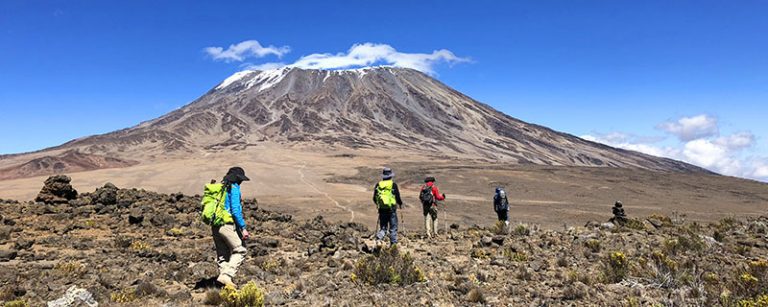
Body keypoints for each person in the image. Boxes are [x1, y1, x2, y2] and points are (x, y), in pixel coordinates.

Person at [213, 167, 251, 287]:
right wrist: (243, 228)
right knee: (240, 250)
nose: (241, 182)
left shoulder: (221, 187)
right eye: (240, 179)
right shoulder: (233, 187)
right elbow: (235, 210)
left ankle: (224, 285)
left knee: (223, 255)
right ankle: (226, 276)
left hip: (215, 225)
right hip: (227, 224)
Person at [372, 167, 403, 245]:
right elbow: (397, 197)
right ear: (391, 176)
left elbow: (374, 198)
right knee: (393, 228)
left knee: (383, 228)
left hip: (382, 209)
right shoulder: (393, 185)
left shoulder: (378, 185)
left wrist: (379, 205)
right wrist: (400, 203)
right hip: (392, 209)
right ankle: (393, 245)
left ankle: (379, 239)